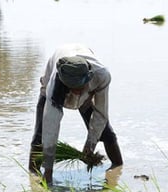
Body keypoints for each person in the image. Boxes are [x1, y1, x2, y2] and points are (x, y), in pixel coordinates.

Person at [29, 44, 123, 184]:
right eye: (73, 88)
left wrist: (90, 145)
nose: (77, 92)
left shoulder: (101, 76)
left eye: (80, 88)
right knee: (40, 136)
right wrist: (48, 170)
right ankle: (33, 174)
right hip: (55, 86)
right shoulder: (55, 84)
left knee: (106, 133)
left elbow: (101, 114)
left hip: (88, 94)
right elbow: (51, 125)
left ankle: (118, 168)